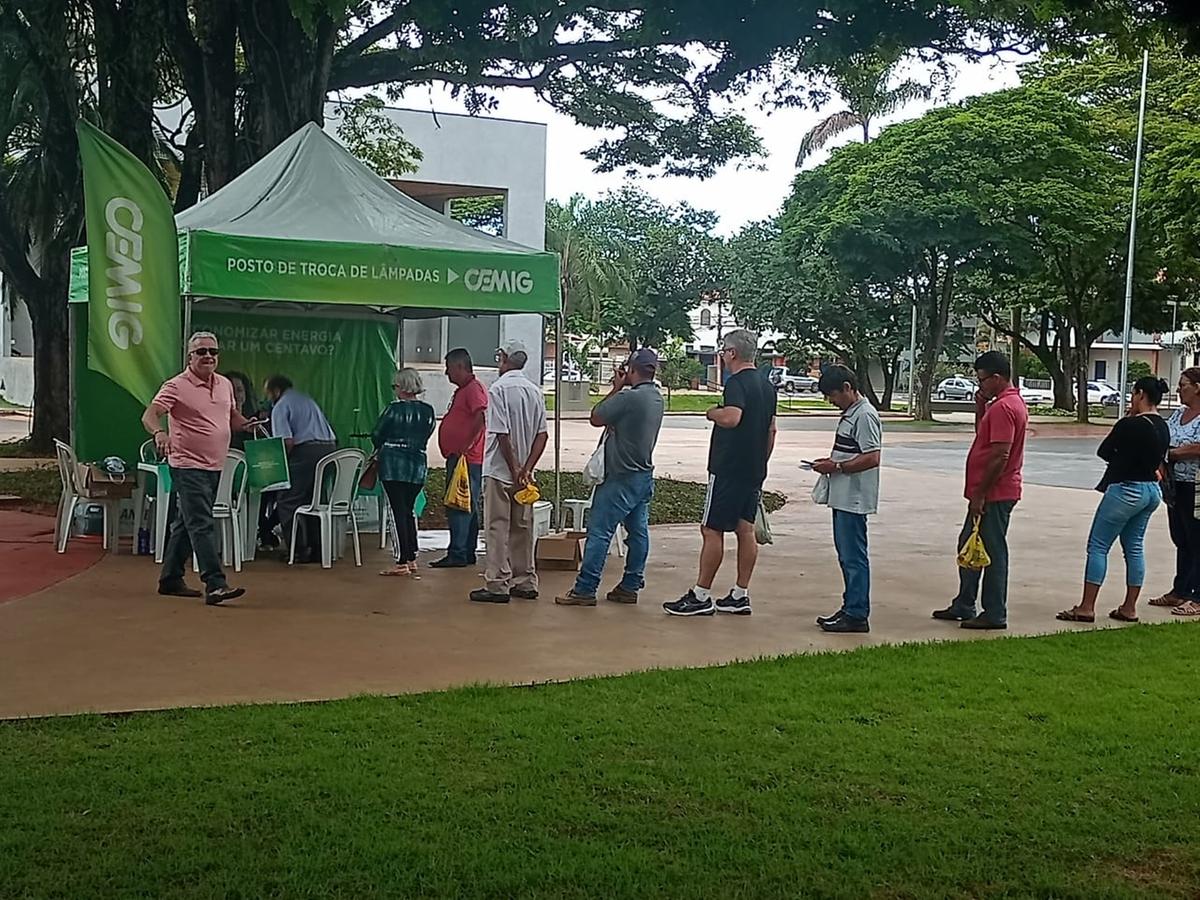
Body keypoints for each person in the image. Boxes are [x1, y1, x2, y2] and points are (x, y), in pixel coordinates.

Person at [664, 329, 777, 617]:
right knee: (745, 528)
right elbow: (771, 430)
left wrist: (712, 412)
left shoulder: (736, 383)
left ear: (733, 353)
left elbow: (732, 417)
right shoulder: (767, 386)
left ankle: (701, 595)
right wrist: (760, 462)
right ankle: (740, 594)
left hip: (728, 469)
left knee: (711, 528)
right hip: (753, 469)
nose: (723, 355)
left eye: (724, 350)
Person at [141, 332, 257, 605]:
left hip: (215, 465)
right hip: (187, 464)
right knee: (202, 523)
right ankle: (215, 584)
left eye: (213, 352)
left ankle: (170, 579)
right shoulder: (176, 386)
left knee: (187, 523)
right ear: (189, 357)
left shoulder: (225, 384)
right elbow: (150, 414)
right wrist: (159, 433)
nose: (208, 356)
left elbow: (230, 416)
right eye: (201, 351)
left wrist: (245, 424)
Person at [556, 349, 665, 607]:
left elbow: (596, 416)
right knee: (638, 532)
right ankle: (630, 583)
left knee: (600, 532)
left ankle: (585, 588)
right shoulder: (656, 397)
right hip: (642, 474)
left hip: (620, 476)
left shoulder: (629, 398)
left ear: (632, 370)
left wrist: (617, 387)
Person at [1057, 377, 1170, 624]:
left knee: (1098, 546)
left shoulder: (1129, 425)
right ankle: (1129, 607)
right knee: (1135, 546)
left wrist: (1127, 421)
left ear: (1140, 394)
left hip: (1126, 490)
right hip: (1150, 490)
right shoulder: (1163, 425)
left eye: (1133, 393)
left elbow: (1104, 451)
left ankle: (1087, 606)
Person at [932, 351, 1027, 630]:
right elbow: (983, 437)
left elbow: (1000, 454)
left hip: (995, 493)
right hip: (992, 491)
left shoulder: (1004, 408)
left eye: (982, 379)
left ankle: (994, 611)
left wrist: (981, 493)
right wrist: (981, 406)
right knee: (968, 544)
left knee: (992, 550)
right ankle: (964, 602)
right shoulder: (1004, 404)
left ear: (997, 378)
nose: (979, 384)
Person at [471, 340, 548, 604]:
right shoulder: (534, 391)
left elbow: (501, 434)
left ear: (504, 358)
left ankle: (497, 582)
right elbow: (542, 435)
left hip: (499, 471)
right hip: (524, 475)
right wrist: (527, 469)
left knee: (497, 526)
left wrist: (514, 467)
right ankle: (525, 579)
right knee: (523, 527)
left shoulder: (498, 389)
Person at [812, 365, 883, 634]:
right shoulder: (850, 413)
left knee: (853, 556)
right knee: (846, 555)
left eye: (833, 395)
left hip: (853, 497)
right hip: (842, 496)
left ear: (847, 387)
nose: (831, 401)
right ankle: (850, 605)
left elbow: (872, 457)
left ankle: (856, 613)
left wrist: (838, 467)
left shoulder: (864, 416)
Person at [264, 375, 337, 564]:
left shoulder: (281, 405)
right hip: (329, 449)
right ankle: (318, 549)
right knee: (313, 502)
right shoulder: (306, 399)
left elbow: (286, 441)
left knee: (287, 500)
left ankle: (297, 550)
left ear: (275, 390)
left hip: (305, 452)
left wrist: (283, 463)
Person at [372, 368, 436, 577]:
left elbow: (377, 435)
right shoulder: (428, 411)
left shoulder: (393, 410)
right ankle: (411, 556)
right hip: (417, 465)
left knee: (395, 511)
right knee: (408, 511)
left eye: (395, 386)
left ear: (402, 387)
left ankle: (401, 561)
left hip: (393, 467)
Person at [431, 348, 487, 568]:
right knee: (467, 505)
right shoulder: (464, 390)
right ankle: (466, 551)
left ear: (460, 367)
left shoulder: (473, 389)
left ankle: (458, 552)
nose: (446, 373)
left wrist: (467, 445)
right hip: (461, 457)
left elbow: (481, 416)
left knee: (459, 504)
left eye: (449, 368)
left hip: (466, 459)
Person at [1150, 367, 1200, 617]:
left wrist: (1176, 453)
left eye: (1183, 385)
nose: (1179, 390)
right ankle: (1180, 590)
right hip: (1175, 485)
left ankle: (1197, 596)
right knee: (1181, 538)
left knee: (1197, 539)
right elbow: (1162, 438)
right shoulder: (1178, 414)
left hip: (1197, 485)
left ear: (1197, 388)